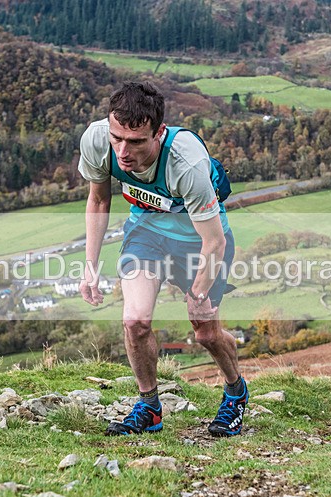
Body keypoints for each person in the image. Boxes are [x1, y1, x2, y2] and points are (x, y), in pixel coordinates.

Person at [78, 81, 247, 437]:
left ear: (158, 133)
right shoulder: (97, 140)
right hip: (148, 233)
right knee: (135, 320)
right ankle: (149, 407)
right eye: (117, 138)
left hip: (198, 243)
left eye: (136, 142)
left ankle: (235, 391)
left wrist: (199, 294)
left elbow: (213, 241)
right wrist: (90, 267)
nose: (123, 152)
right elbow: (98, 201)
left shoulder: (186, 162)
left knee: (205, 332)